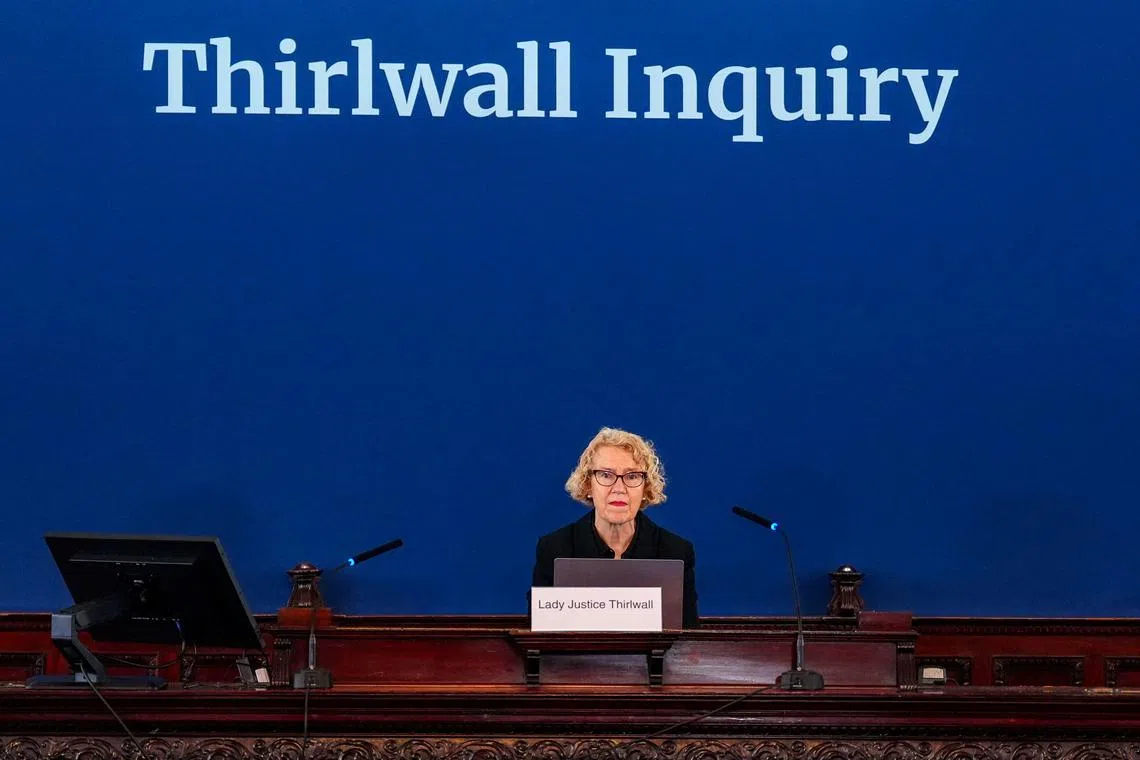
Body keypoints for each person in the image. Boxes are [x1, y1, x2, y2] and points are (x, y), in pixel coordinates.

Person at [532, 426, 699, 628]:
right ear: (588, 485)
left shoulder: (675, 552)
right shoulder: (555, 549)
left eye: (632, 476)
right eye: (606, 475)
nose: (619, 489)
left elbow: (688, 642)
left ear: (646, 488)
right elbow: (540, 637)